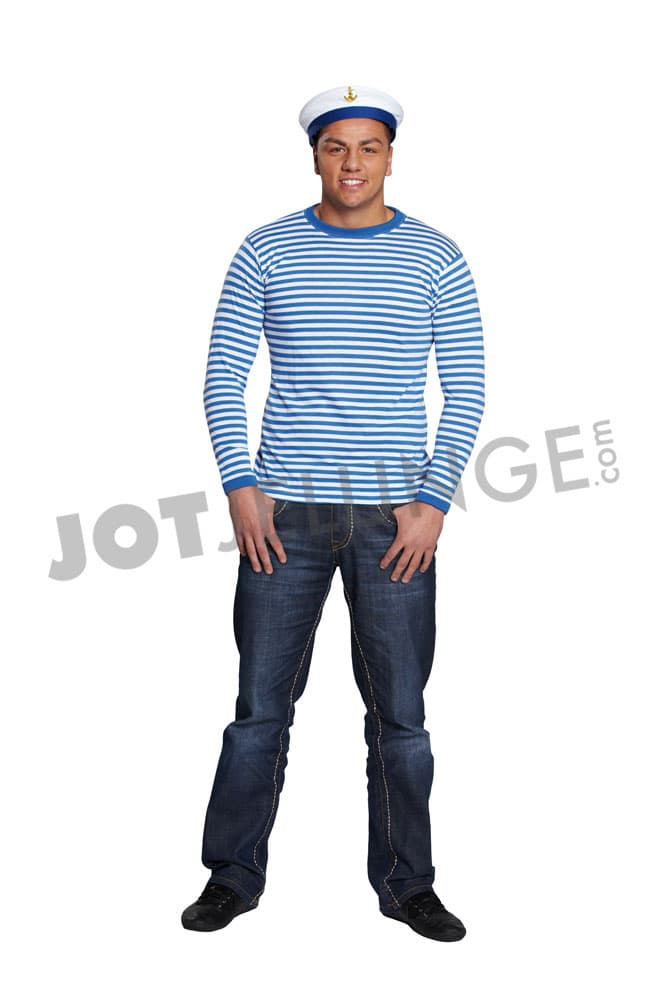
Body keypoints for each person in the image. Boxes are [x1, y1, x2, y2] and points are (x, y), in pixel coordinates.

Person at [181, 84, 485, 942]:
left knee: (401, 718)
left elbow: (465, 386)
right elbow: (222, 374)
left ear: (390, 155)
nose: (352, 163)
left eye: (368, 147)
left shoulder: (436, 255)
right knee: (259, 712)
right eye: (335, 147)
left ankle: (407, 884)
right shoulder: (266, 248)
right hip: (284, 519)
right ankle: (231, 876)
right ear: (314, 154)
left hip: (396, 521)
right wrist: (240, 487)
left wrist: (432, 502)